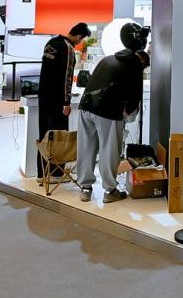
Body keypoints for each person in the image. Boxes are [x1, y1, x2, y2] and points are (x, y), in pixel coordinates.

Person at [77, 22, 148, 204]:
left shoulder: (108, 58)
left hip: (85, 106)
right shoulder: (134, 63)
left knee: (86, 148)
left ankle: (85, 188)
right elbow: (135, 94)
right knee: (109, 150)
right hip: (107, 110)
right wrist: (127, 112)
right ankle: (110, 190)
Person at [36, 23, 90, 177]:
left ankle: (42, 173)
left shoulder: (51, 43)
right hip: (57, 100)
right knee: (58, 136)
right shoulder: (68, 48)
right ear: (78, 36)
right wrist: (66, 102)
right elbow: (67, 76)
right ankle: (57, 173)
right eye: (82, 40)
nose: (80, 43)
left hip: (43, 96)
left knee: (44, 134)